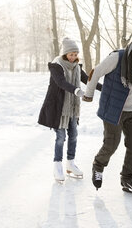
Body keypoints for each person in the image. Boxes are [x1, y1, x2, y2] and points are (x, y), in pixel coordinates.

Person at [82, 36, 132, 195]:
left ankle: (127, 178)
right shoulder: (118, 57)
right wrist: (88, 94)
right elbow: (95, 72)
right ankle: (98, 165)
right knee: (112, 144)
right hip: (113, 109)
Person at [38, 37, 102, 182]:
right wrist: (77, 91)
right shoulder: (56, 66)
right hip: (58, 107)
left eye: (75, 54)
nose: (73, 57)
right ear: (65, 54)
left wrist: (103, 89)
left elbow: (88, 80)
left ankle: (70, 164)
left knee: (73, 135)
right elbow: (61, 82)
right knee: (61, 137)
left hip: (72, 108)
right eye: (71, 54)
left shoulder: (77, 66)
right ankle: (58, 165)